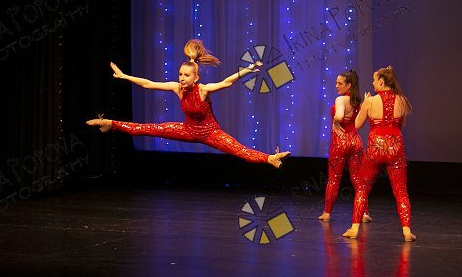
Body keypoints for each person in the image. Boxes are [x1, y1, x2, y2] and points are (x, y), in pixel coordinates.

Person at [86, 39, 290, 168]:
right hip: (188, 130)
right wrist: (124, 76)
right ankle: (109, 123)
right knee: (148, 128)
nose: (182, 78)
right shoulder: (177, 88)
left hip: (211, 133)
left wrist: (247, 69)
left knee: (239, 150)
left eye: (186, 75)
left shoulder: (203, 90)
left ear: (196, 77)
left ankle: (270, 158)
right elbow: (148, 84)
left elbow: (226, 82)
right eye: (180, 74)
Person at [343, 66, 415, 242]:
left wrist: (365, 106)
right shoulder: (402, 100)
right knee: (401, 191)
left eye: (374, 80)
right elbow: (400, 126)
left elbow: (357, 125)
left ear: (382, 82)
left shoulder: (370, 101)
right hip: (395, 147)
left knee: (362, 187)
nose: (372, 83)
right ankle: (407, 231)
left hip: (375, 148)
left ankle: (354, 229)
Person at [318, 69, 372, 222]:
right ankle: (365, 213)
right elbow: (360, 122)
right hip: (355, 141)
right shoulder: (358, 102)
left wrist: (335, 122)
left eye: (340, 83)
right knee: (358, 179)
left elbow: (340, 115)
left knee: (334, 179)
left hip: (340, 142)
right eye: (336, 83)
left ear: (348, 86)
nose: (336, 86)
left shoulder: (341, 99)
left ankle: (327, 213)